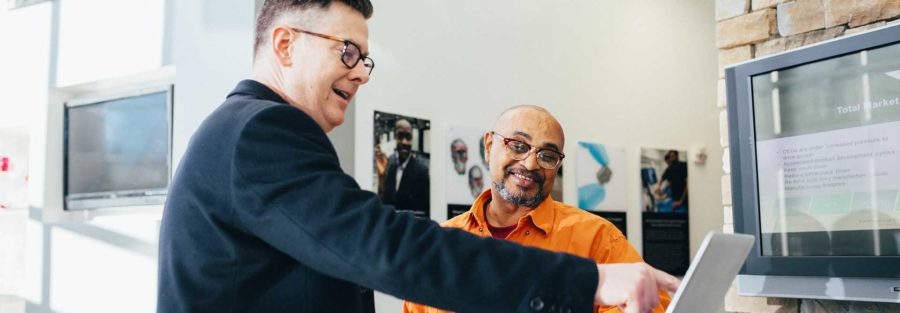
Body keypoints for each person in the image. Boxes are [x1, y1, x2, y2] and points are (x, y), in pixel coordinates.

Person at [157, 1, 679, 312]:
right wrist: (588, 279)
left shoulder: (244, 131)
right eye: (347, 51)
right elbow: (384, 246)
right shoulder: (260, 131)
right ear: (285, 45)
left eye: (365, 59)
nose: (361, 72)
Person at [402, 105, 672, 313]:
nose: (531, 164)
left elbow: (650, 306)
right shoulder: (441, 245)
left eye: (547, 155)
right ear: (488, 146)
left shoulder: (598, 239)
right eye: (518, 145)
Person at [379, 119, 430, 217]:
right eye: (400, 136)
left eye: (408, 137)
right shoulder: (391, 166)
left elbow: (425, 212)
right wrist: (382, 177)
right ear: (395, 137)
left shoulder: (421, 171)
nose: (404, 142)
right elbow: (385, 202)